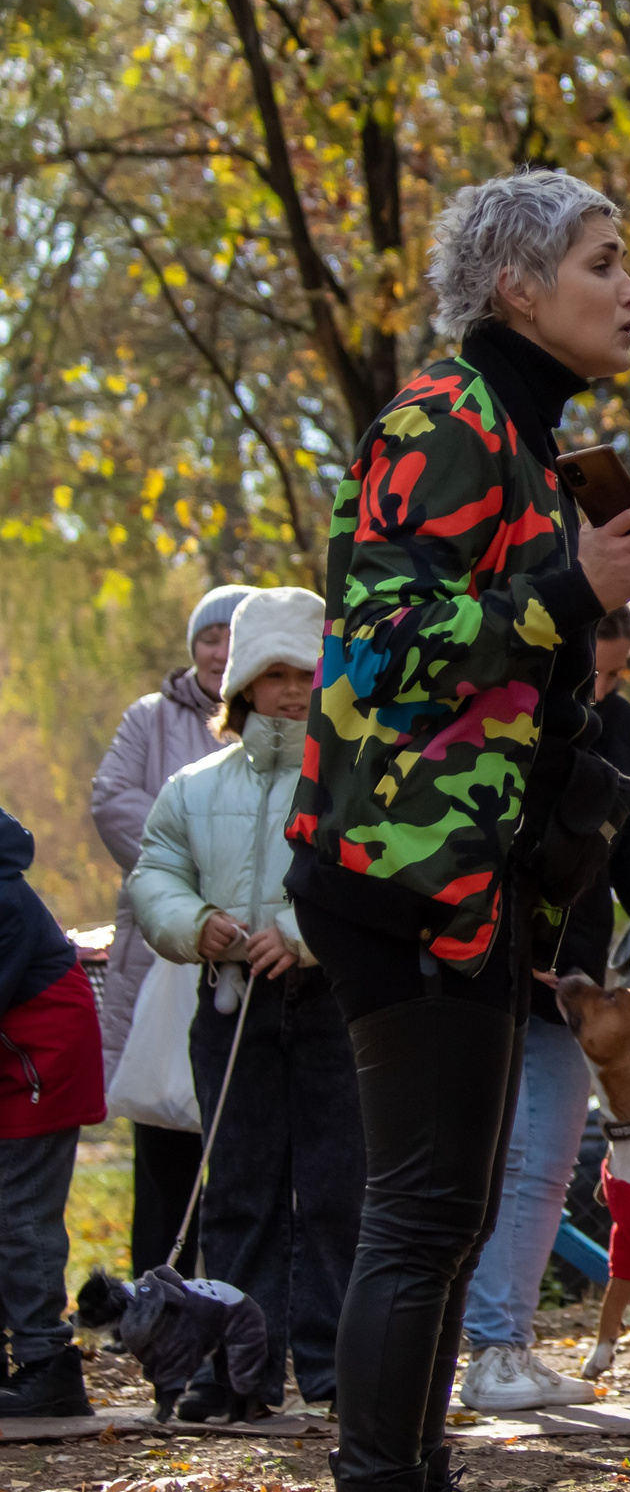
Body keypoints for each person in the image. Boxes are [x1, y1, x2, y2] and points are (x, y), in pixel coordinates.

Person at [283, 168, 630, 1492]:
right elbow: (377, 646)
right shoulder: (440, 420)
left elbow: (496, 660)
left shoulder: (526, 439)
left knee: (437, 1226)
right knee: (422, 1218)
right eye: (603, 260)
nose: (628, 288)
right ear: (518, 287)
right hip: (402, 878)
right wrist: (567, 587)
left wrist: (586, 614)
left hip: (466, 882)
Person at [128, 587, 359, 1419]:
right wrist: (197, 922)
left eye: (307, 671)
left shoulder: (351, 778)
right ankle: (237, 1375)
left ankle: (340, 1374)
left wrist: (299, 931)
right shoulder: (193, 785)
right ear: (242, 686)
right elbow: (154, 871)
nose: (293, 690)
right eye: (273, 674)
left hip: (331, 1004)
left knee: (338, 1192)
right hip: (229, 1007)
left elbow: (368, 872)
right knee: (239, 1192)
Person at [457, 602, 630, 1410]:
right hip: (486, 964)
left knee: (549, 1162)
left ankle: (508, 1343)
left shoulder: (620, 727)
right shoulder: (503, 707)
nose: (605, 685)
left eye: (620, 670)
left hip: (574, 979)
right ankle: (485, 1347)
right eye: (594, 667)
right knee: (498, 1156)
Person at [92, 582, 250, 1280]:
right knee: (162, 1143)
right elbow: (114, 802)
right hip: (164, 958)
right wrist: (196, 871)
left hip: (248, 957)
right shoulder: (150, 719)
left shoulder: (279, 715)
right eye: (209, 637)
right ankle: (155, 1300)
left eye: (233, 637)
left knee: (246, 1147)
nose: (219, 651)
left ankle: (235, 1301)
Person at [0, 805, 106, 1418]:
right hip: (13, 1059)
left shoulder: (1, 901)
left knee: (19, 1215)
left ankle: (48, 1365)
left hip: (39, 1064)